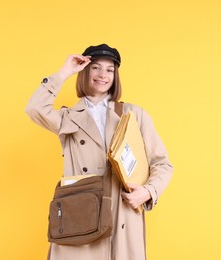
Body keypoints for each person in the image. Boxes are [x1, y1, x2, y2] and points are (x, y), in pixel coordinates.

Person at [25, 43, 173, 260]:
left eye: (110, 70)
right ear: (85, 71)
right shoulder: (68, 117)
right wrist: (65, 72)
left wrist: (149, 192)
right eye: (95, 67)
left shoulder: (133, 115)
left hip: (122, 213)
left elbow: (162, 164)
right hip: (81, 215)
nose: (102, 75)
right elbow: (34, 108)